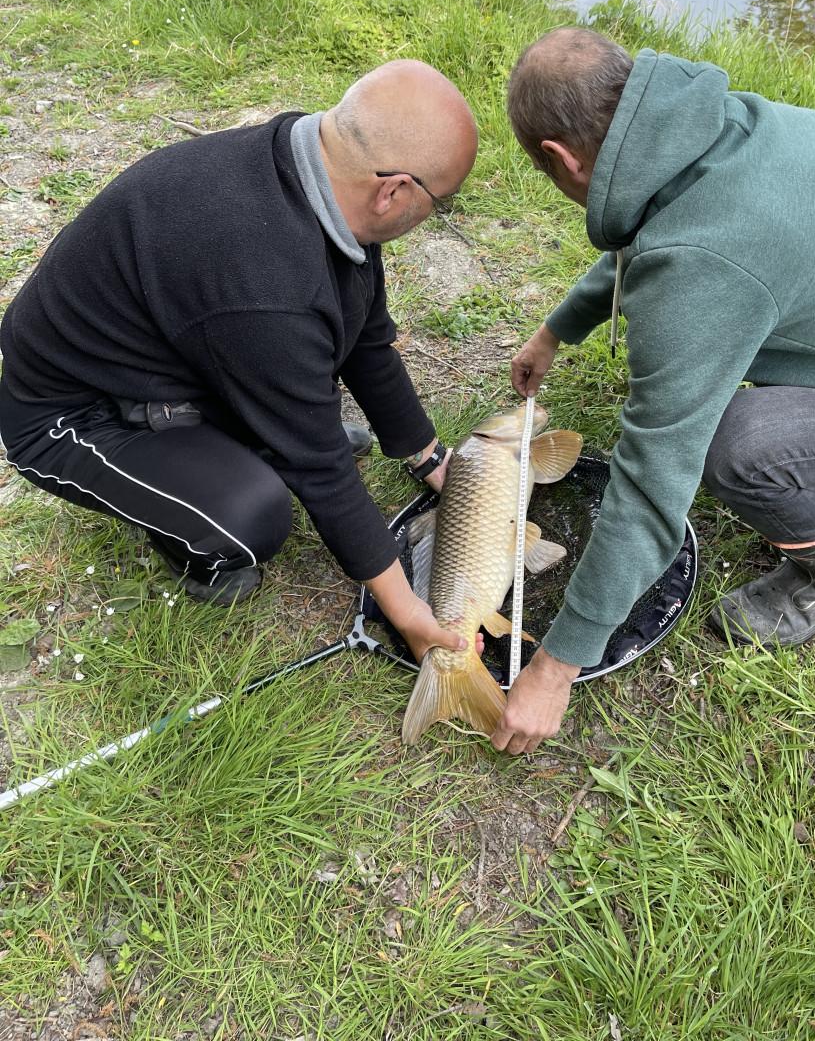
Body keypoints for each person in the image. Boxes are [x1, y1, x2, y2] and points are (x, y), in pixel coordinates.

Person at [491, 25, 815, 757]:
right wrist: (558, 330)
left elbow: (653, 482)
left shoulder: (704, 262)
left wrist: (555, 665)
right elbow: (653, 234)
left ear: (561, 158)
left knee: (732, 443)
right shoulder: (707, 127)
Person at [0, 60, 479, 663]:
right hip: (71, 414)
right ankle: (192, 542)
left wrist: (429, 457)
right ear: (393, 191)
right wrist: (407, 611)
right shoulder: (266, 286)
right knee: (252, 515)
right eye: (443, 200)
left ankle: (230, 432)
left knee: (298, 421)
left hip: (179, 358)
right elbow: (320, 469)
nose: (439, 212)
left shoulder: (318, 170)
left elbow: (365, 338)